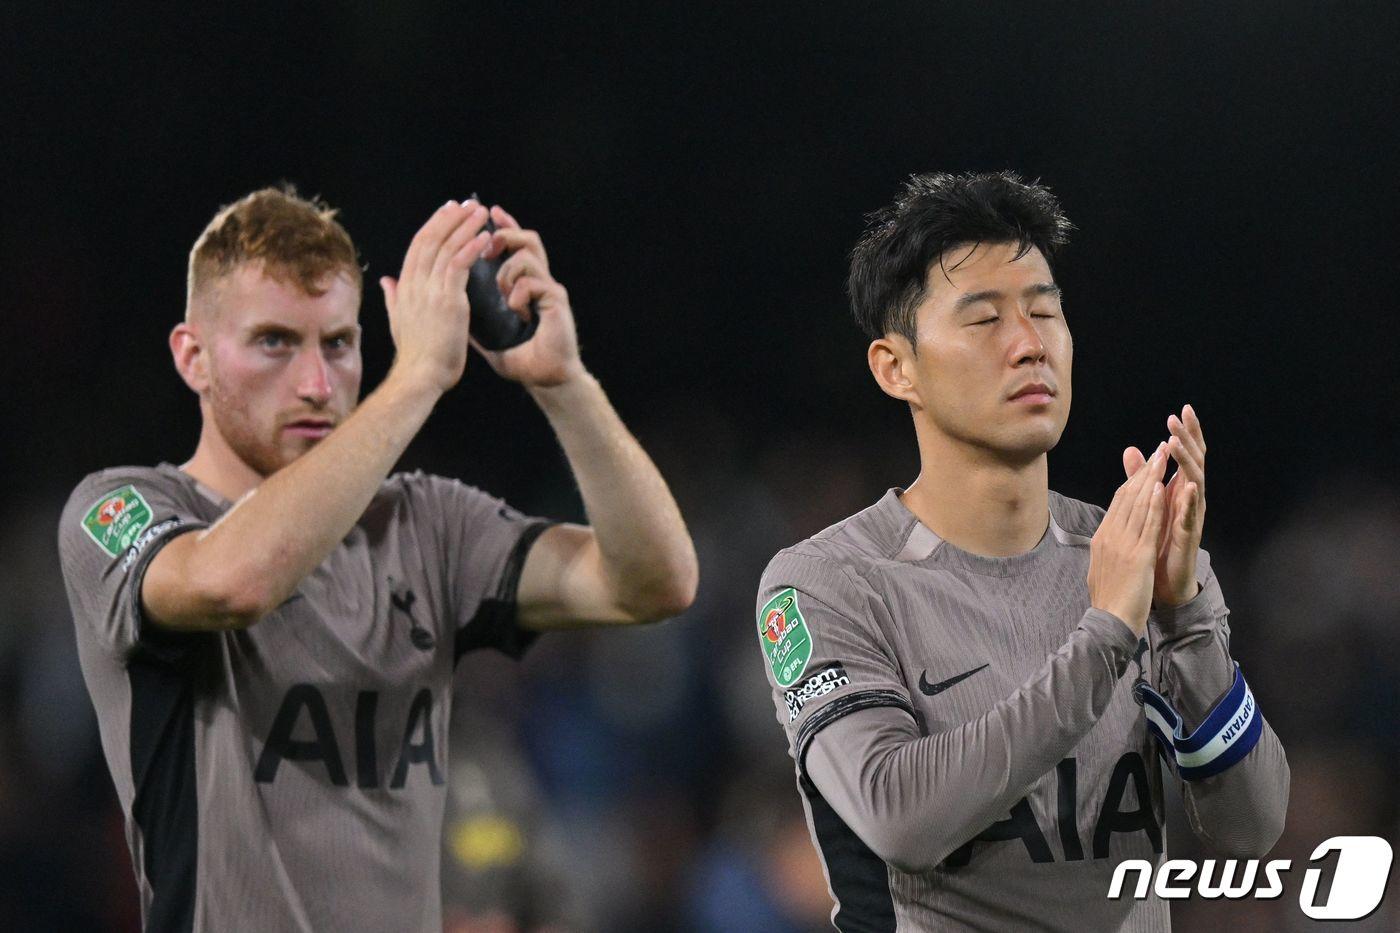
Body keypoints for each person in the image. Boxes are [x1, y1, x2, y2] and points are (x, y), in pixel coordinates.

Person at [57, 187, 698, 932]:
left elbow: (654, 583)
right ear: (192, 356)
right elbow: (232, 583)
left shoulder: (426, 525)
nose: (316, 384)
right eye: (274, 342)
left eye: (337, 344)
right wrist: (417, 377)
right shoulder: (121, 509)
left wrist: (564, 385)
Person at [754, 172, 1288, 931]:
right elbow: (901, 819)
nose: (1030, 344)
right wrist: (1107, 633)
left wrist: (1185, 619)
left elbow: (1251, 828)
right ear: (896, 367)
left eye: (1044, 312)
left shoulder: (1130, 553)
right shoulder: (829, 583)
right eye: (983, 319)